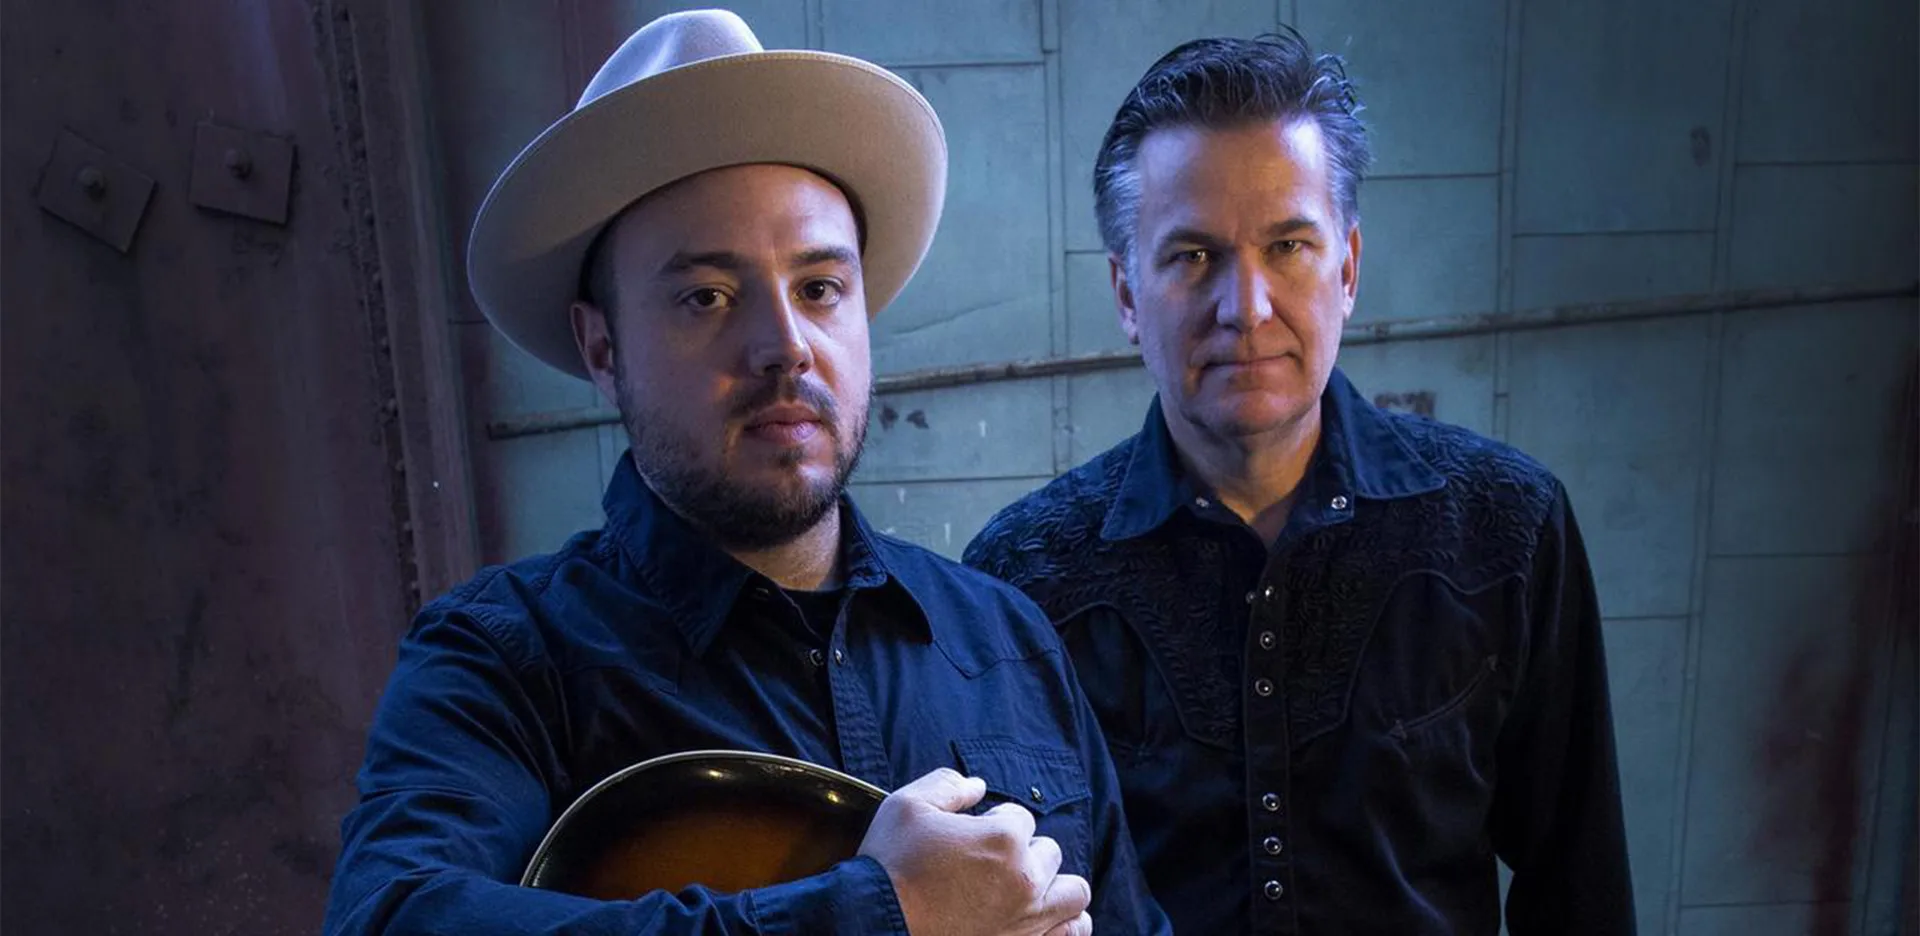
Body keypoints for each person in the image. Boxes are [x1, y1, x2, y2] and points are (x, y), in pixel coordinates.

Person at [321, 10, 1167, 936]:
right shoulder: (505, 661)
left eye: (819, 288)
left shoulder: (1006, 639)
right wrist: (882, 914)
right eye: (707, 297)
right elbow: (390, 920)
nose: (785, 347)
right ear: (603, 348)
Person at [964, 29, 1635, 935]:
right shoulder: (1021, 577)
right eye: (1192, 256)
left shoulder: (1507, 525)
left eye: (1288, 246)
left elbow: (1579, 887)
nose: (1246, 308)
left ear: (1347, 268)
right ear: (1127, 294)